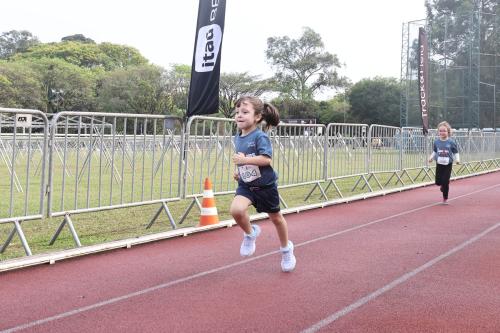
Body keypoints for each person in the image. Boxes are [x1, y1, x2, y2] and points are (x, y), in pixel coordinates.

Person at [230, 96, 296, 272]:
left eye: (245, 112)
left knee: (276, 218)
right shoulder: (238, 136)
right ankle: (251, 234)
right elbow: (246, 161)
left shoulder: (260, 137)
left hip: (266, 187)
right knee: (236, 210)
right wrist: (240, 172)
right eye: (237, 112)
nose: (239, 115)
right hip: (247, 186)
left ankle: (286, 249)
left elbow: (266, 160)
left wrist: (244, 161)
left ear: (257, 117)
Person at [428, 121, 460, 204]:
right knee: (438, 182)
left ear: (448, 132)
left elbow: (456, 152)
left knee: (445, 181)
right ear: (438, 132)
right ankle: (442, 185)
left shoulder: (451, 142)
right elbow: (435, 151)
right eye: (440, 131)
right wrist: (431, 157)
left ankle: (445, 198)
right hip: (439, 163)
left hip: (448, 164)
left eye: (444, 131)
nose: (442, 132)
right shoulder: (436, 142)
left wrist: (457, 159)